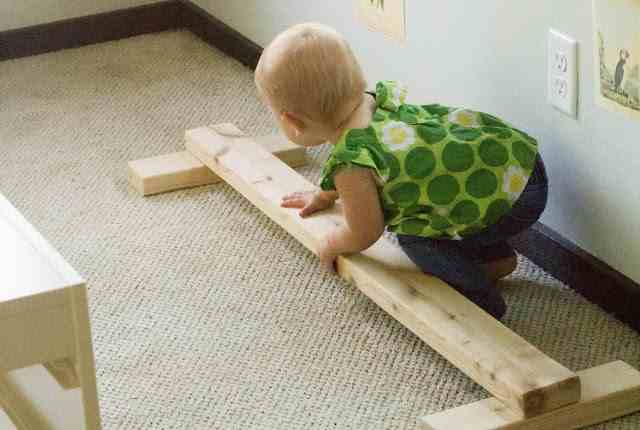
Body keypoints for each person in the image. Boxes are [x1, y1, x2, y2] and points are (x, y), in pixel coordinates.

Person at [254, 23, 548, 320]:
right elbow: (361, 171)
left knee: (413, 236)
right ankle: (492, 259)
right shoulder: (371, 103)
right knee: (434, 204)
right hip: (518, 164)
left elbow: (365, 231)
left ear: (292, 122)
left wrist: (331, 244)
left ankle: (480, 301)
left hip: (511, 200)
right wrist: (324, 195)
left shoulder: (351, 163)